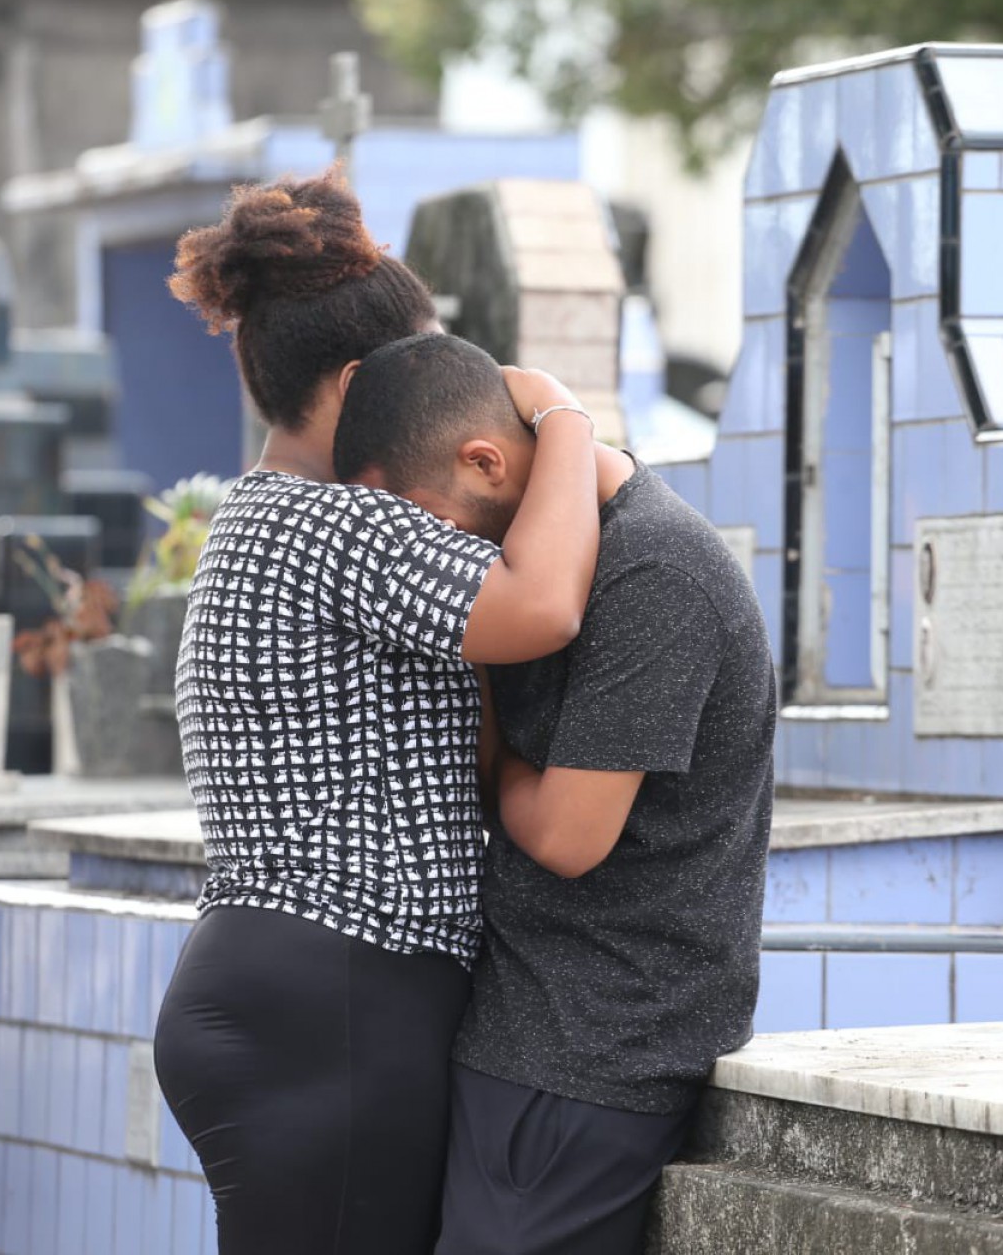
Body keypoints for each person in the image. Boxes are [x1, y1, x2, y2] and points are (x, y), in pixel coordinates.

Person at [152, 170, 602, 1255]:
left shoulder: (255, 520)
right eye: (427, 365)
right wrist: (564, 414)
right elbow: (542, 603)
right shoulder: (340, 524)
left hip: (278, 986)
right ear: (359, 383)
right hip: (340, 992)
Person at [334, 332, 778, 1255]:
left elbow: (571, 834)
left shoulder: (655, 572)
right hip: (532, 1033)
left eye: (430, 523)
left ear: (486, 461)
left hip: (591, 1048)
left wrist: (493, 746)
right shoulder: (566, 564)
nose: (434, 557)